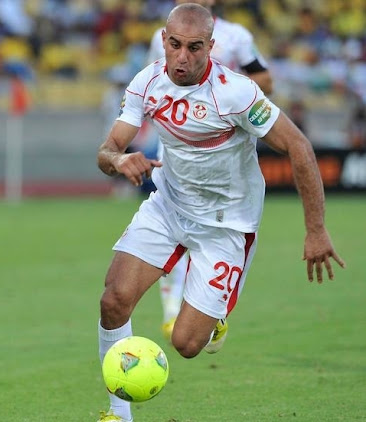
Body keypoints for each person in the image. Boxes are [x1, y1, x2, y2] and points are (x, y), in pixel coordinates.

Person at [95, 5, 344, 422]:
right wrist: (117, 162)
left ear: (211, 47)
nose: (183, 57)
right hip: (168, 206)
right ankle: (118, 414)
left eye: (195, 48)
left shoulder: (236, 93)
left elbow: (298, 146)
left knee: (188, 344)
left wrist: (316, 229)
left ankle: (215, 317)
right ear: (163, 40)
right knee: (113, 300)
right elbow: (107, 150)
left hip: (227, 224)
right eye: (175, 45)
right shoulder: (147, 82)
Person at [145, 0, 274, 341]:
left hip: (221, 144)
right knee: (170, 223)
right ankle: (172, 309)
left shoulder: (236, 37)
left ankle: (207, 307)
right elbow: (153, 84)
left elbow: (266, 79)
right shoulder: (164, 36)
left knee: (210, 230)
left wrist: (224, 90)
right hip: (175, 142)